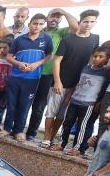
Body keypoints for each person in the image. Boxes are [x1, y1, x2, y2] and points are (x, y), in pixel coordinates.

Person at [43, 9, 100, 145]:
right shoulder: (68, 39)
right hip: (60, 81)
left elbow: (92, 61)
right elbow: (56, 61)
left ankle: (52, 137)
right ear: (80, 22)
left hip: (79, 85)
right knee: (52, 111)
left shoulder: (95, 39)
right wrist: (57, 81)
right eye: (85, 21)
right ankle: (46, 137)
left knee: (63, 114)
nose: (88, 24)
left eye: (92, 22)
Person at [23, 9, 78, 141]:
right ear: (46, 18)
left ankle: (31, 133)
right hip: (30, 73)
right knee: (25, 103)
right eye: (52, 16)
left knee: (39, 106)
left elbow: (75, 27)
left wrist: (63, 12)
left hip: (48, 75)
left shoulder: (61, 32)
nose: (54, 19)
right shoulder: (36, 31)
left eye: (58, 17)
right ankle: (18, 129)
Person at [1, 14, 54, 141]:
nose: (37, 26)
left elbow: (49, 56)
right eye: (35, 23)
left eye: (41, 24)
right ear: (29, 24)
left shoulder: (46, 39)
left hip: (32, 78)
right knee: (11, 104)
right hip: (15, 77)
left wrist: (37, 64)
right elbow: (8, 57)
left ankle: (19, 130)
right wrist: (18, 64)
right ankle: (7, 128)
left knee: (24, 105)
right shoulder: (19, 40)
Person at [57, 47, 110, 154]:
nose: (96, 59)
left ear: (107, 59)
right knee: (67, 123)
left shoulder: (106, 72)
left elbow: (106, 89)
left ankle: (77, 148)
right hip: (74, 100)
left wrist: (99, 102)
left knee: (82, 126)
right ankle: (61, 143)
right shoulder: (85, 68)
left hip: (88, 104)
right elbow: (77, 83)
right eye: (95, 56)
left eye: (101, 57)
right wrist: (69, 96)